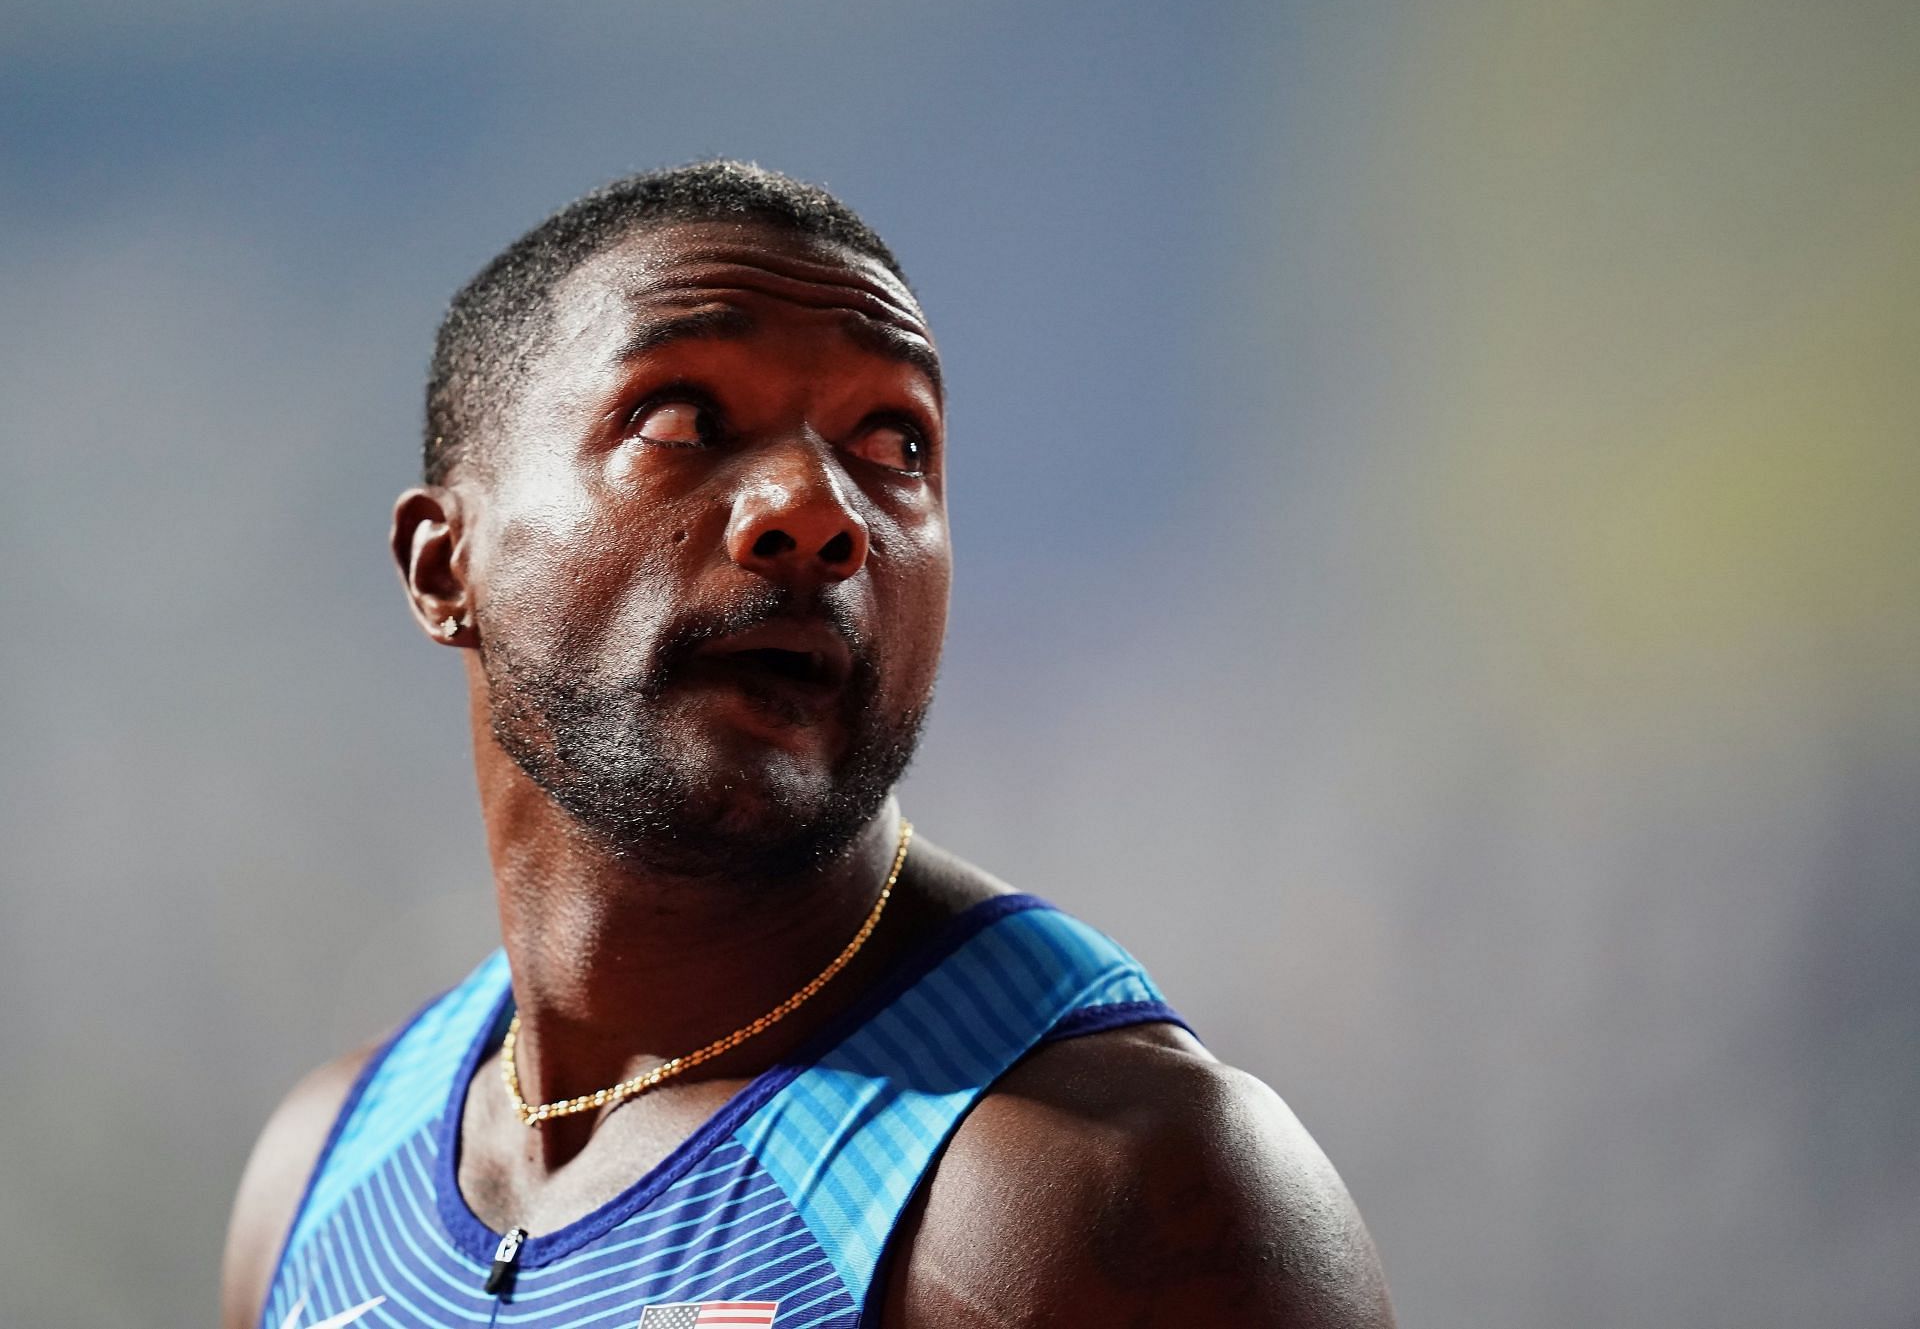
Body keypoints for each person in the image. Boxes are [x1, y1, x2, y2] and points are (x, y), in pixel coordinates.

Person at [220, 160, 1396, 1329]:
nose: (818, 507)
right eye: (683, 419)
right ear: (444, 565)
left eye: (894, 446)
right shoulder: (320, 1171)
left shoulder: (1099, 1193)